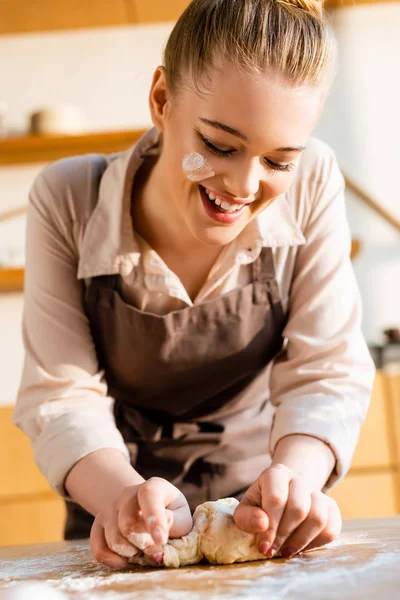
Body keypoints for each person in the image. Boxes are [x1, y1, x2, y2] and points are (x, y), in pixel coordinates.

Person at [13, 0, 375, 569]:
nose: (244, 185)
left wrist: (296, 484)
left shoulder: (314, 182)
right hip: (119, 512)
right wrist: (123, 501)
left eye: (279, 161)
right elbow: (62, 395)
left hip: (261, 518)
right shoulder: (69, 198)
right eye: (219, 146)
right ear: (162, 100)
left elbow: (324, 369)